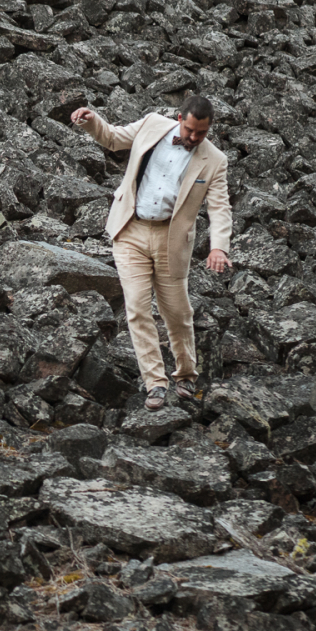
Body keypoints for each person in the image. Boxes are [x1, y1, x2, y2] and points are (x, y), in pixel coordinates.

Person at [70, 95, 233, 410]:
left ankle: (186, 374)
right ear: (178, 117)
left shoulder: (215, 160)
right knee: (137, 307)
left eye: (201, 133)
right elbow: (114, 139)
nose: (194, 138)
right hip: (130, 230)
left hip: (170, 241)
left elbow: (220, 207)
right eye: (189, 130)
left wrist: (218, 247)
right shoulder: (151, 125)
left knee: (178, 313)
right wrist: (92, 122)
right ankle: (155, 384)